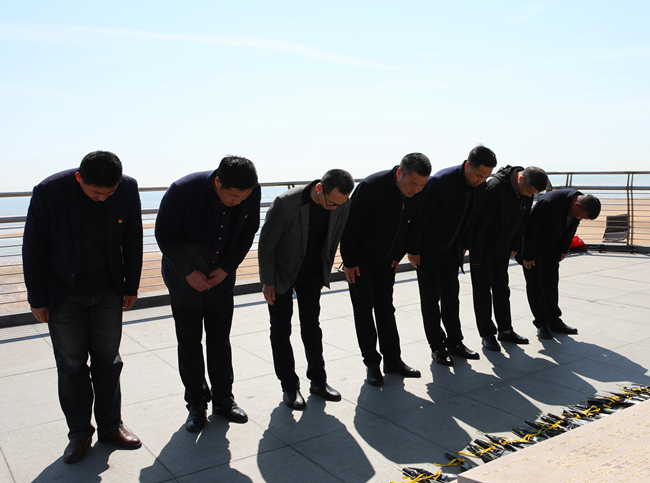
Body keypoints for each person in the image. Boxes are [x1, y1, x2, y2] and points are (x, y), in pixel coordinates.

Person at [22, 151, 143, 464]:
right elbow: (33, 247)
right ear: (79, 178)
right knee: (72, 364)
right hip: (64, 294)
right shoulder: (49, 191)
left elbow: (133, 237)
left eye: (109, 193)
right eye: (96, 193)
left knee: (108, 361)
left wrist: (131, 286)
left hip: (108, 291)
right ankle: (79, 432)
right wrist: (37, 299)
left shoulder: (128, 188)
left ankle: (111, 426)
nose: (103, 198)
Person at [155, 156, 261, 432]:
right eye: (233, 196)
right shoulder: (183, 190)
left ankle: (224, 399)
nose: (238, 201)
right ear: (217, 182)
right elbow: (164, 235)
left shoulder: (251, 190)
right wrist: (188, 272)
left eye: (244, 197)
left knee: (220, 340)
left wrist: (227, 269)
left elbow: (249, 231)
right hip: (184, 280)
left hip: (221, 279)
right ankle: (196, 404)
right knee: (189, 342)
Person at [258, 169, 354, 410]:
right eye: (331, 203)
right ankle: (289, 387)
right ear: (319, 188)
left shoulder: (342, 203)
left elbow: (335, 238)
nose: (334, 208)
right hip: (282, 273)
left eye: (339, 204)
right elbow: (266, 243)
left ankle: (318, 381)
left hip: (312, 273)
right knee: (281, 330)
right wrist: (268, 281)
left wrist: (324, 271)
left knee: (312, 327)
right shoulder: (286, 203)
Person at [340, 153, 431, 386]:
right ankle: (372, 363)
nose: (416, 190)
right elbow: (350, 225)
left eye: (421, 186)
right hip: (360, 263)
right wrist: (349, 261)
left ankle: (393, 360)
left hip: (387, 262)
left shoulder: (419, 192)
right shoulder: (371, 186)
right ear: (399, 173)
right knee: (364, 311)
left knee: (386, 310)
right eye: (413, 184)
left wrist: (398, 255)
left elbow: (414, 226)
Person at [407, 146, 497, 366]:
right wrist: (414, 250)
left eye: (486, 177)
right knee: (431, 301)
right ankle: (437, 346)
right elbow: (419, 217)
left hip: (452, 250)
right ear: (467, 165)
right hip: (429, 252)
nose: (481, 180)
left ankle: (455, 342)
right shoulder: (440, 181)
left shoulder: (479, 185)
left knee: (451, 298)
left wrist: (464, 244)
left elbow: (471, 217)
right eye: (479, 175)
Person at [469, 166, 548, 351]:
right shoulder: (495, 187)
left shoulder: (526, 191)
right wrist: (477, 253)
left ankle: (505, 330)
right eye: (529, 192)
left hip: (504, 248)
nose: (529, 196)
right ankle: (487, 334)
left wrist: (515, 246)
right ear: (521, 179)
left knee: (502, 289)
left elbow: (523, 221)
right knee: (482, 292)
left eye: (533, 194)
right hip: (484, 248)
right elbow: (479, 223)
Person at [520, 189, 601, 339]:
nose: (580, 219)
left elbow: (572, 227)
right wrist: (528, 255)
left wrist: (564, 249)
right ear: (576, 205)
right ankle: (542, 323)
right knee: (536, 284)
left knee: (551, 283)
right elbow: (529, 229)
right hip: (534, 247)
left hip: (552, 247)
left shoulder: (579, 204)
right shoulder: (550, 203)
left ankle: (554, 320)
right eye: (581, 217)